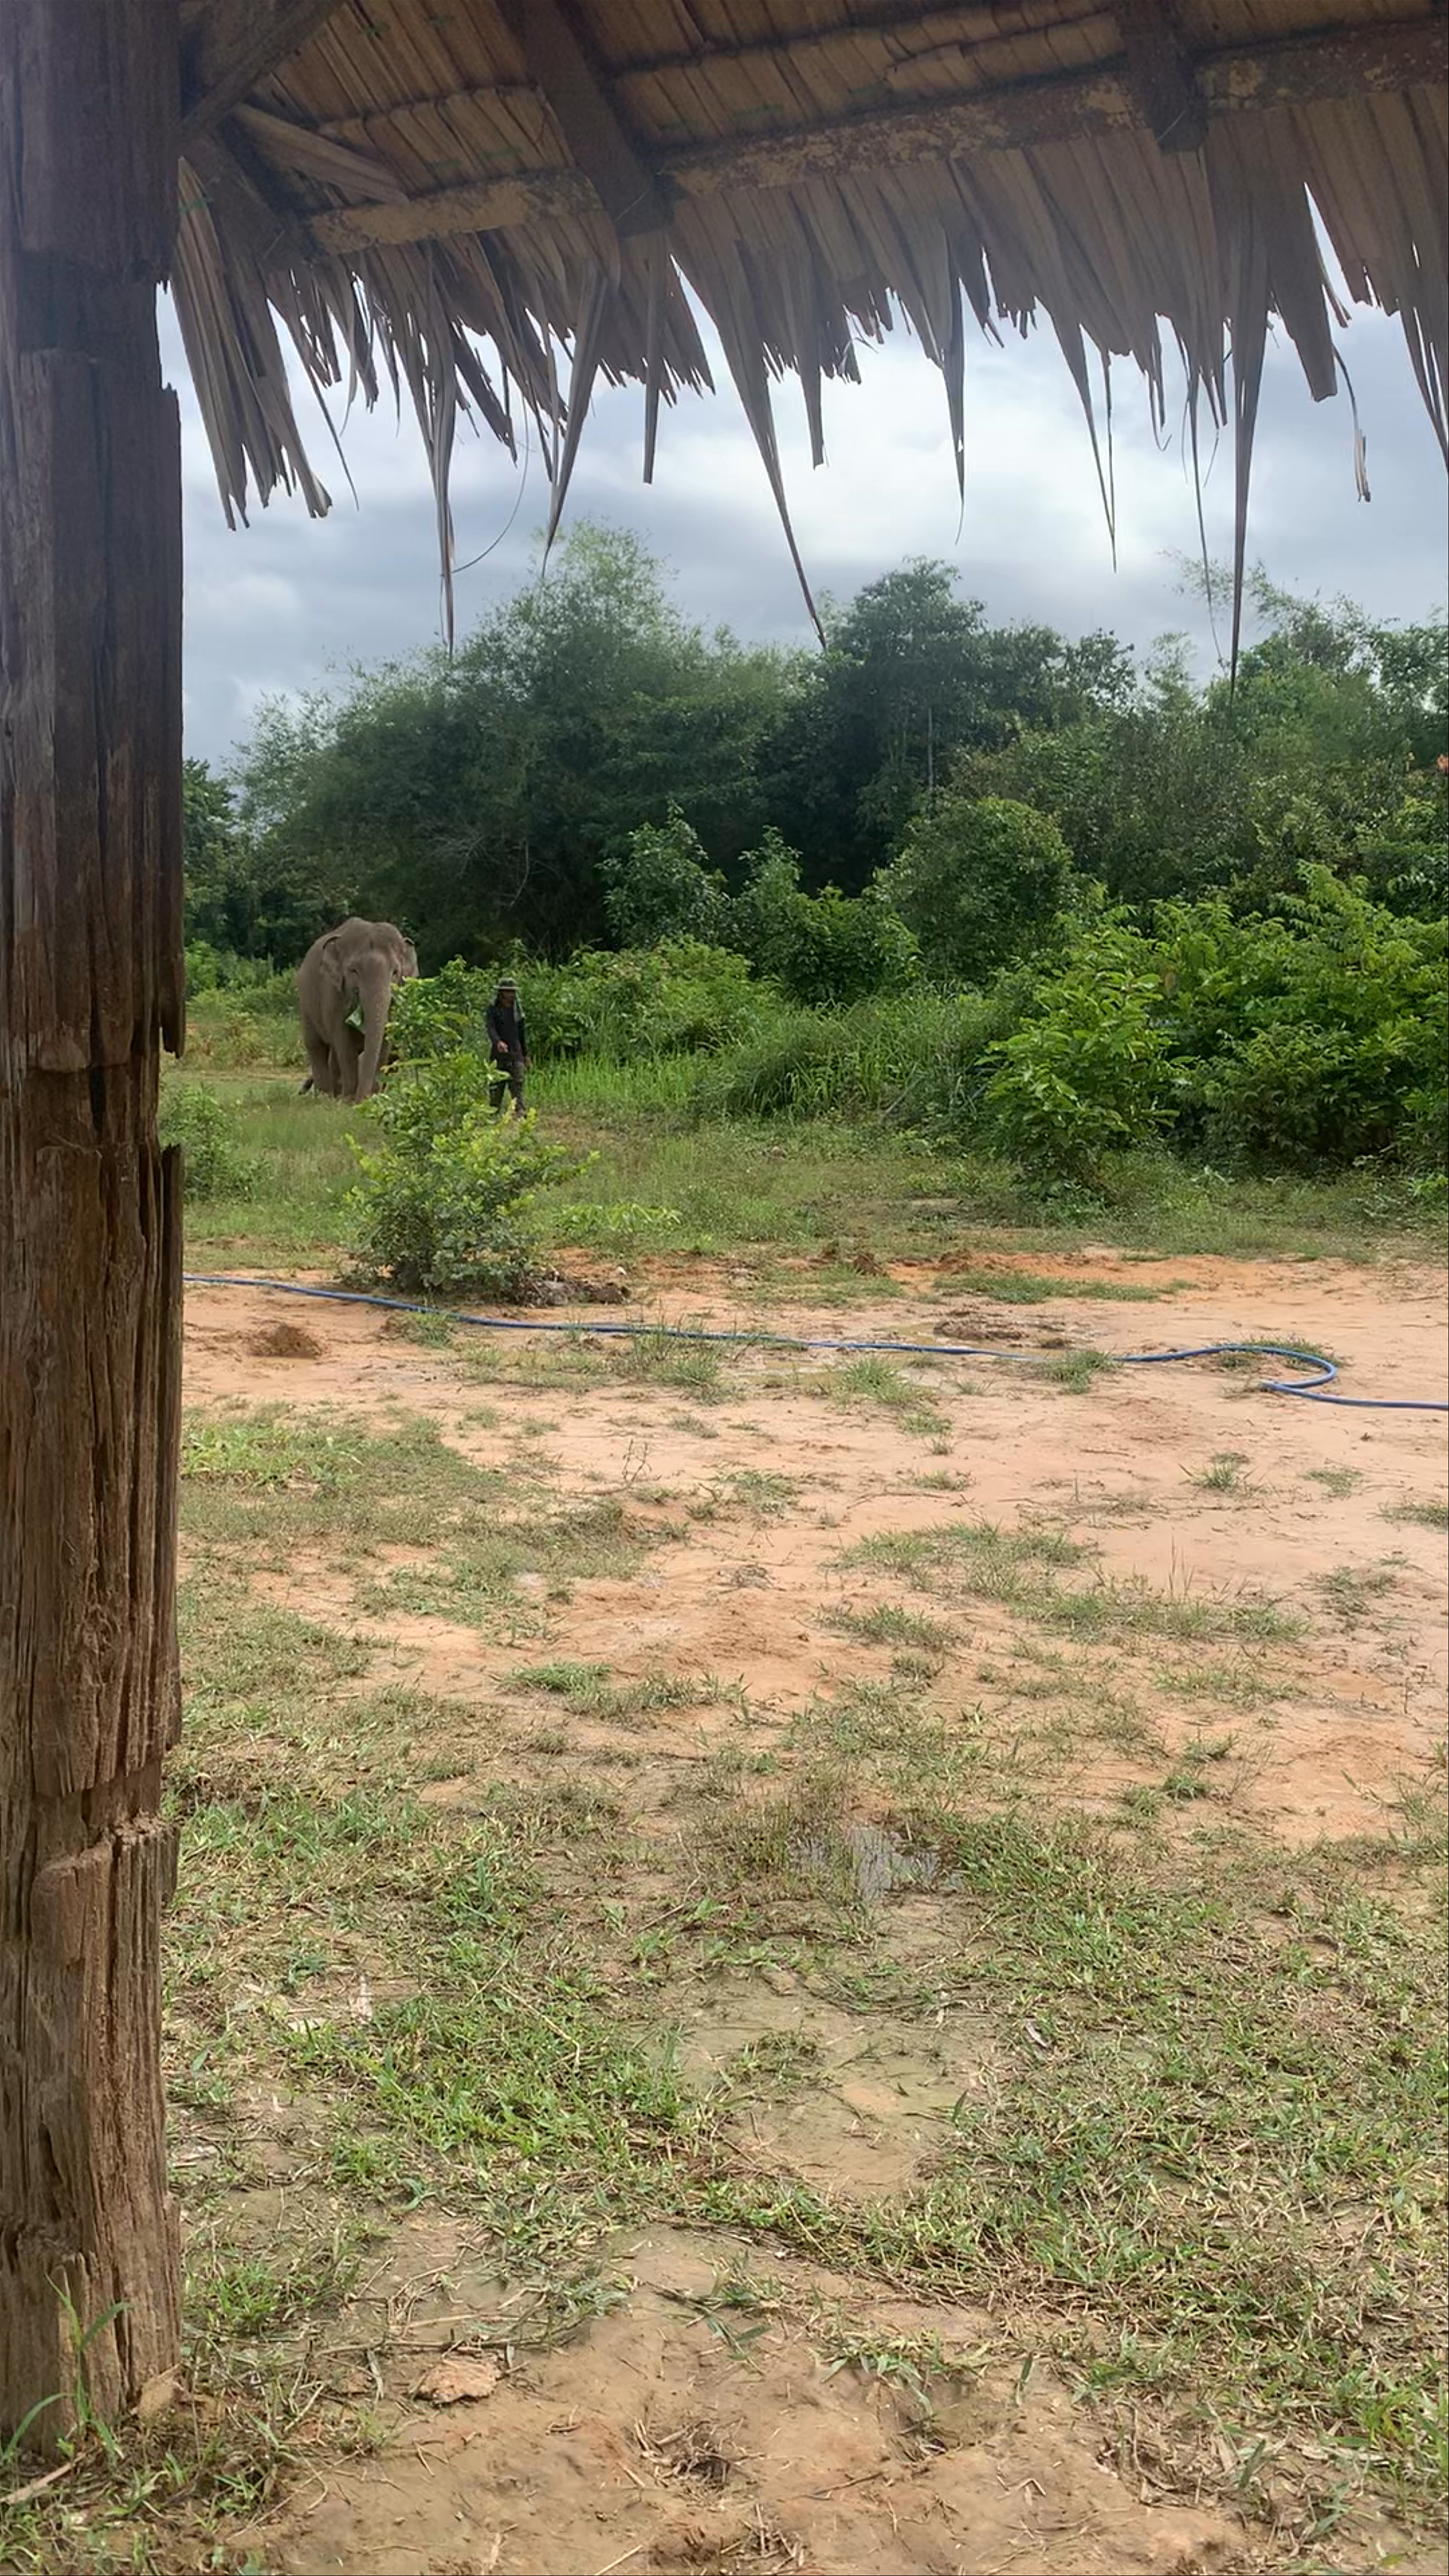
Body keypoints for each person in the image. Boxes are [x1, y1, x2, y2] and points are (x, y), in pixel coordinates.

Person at [485, 978, 529, 1115]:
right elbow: (491, 1029)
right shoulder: (493, 1010)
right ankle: (494, 1112)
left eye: (512, 992)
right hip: (499, 1054)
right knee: (496, 1086)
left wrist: (526, 1055)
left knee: (517, 1084)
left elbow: (522, 1034)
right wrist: (498, 1042)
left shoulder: (518, 1012)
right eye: (508, 992)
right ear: (502, 993)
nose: (511, 995)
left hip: (516, 1052)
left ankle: (520, 1110)